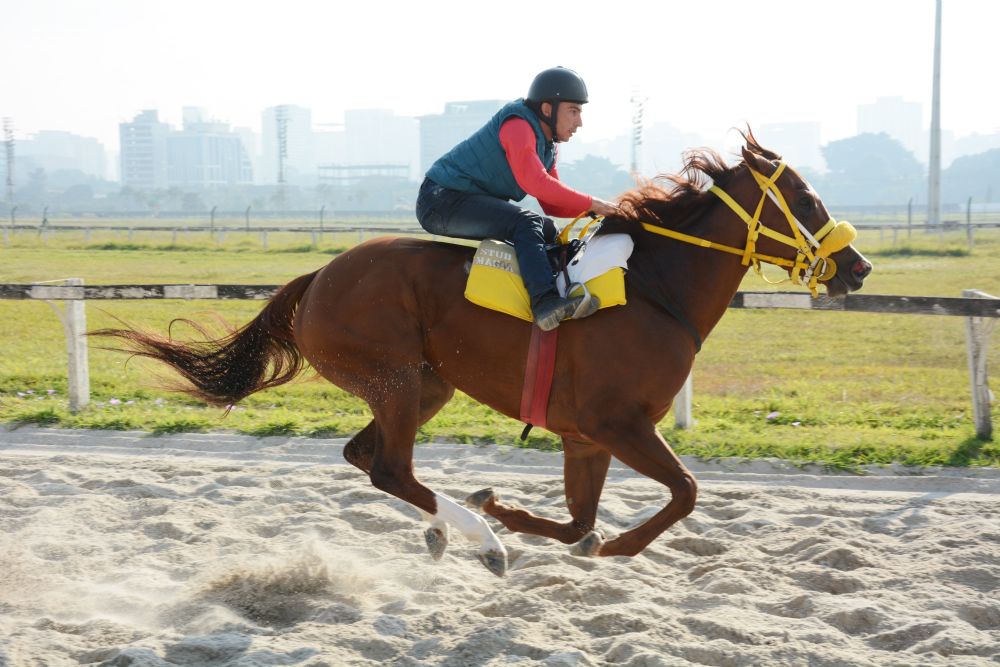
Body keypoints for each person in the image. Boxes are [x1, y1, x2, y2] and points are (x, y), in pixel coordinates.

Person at [416, 66, 620, 331]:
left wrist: (596, 211)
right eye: (573, 111)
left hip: (459, 200)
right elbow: (534, 182)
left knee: (547, 229)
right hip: (440, 201)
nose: (579, 122)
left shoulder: (547, 147)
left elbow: (552, 203)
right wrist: (593, 203)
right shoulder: (518, 126)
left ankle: (559, 291)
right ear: (547, 109)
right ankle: (545, 303)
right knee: (526, 224)